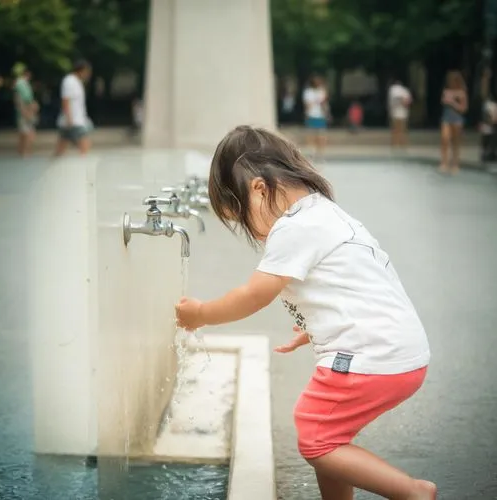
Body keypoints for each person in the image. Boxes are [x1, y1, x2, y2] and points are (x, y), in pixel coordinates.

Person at [175, 125, 436, 500]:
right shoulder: (325, 213)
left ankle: (413, 492)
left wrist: (201, 313)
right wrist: (315, 328)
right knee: (332, 438)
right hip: (400, 351)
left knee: (315, 434)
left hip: (370, 356)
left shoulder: (293, 228)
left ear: (259, 189)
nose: (257, 236)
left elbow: (253, 295)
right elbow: (359, 285)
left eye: (243, 219)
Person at [55, 59, 92, 156]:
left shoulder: (77, 82)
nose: (87, 74)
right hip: (72, 120)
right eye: (86, 72)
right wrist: (69, 118)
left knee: (62, 145)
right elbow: (65, 100)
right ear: (81, 70)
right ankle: (84, 165)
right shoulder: (69, 81)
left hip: (76, 119)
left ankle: (55, 161)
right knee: (85, 143)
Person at [439, 71, 468, 174]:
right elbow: (443, 102)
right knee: (444, 139)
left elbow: (463, 108)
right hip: (446, 118)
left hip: (457, 119)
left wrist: (453, 103)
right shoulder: (446, 91)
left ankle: (455, 163)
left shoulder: (461, 92)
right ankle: (444, 162)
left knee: (455, 142)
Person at [13, 63, 39, 157]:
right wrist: (24, 111)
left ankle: (23, 151)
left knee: (25, 132)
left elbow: (28, 99)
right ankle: (25, 152)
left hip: (27, 111)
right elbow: (19, 99)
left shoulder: (24, 83)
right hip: (25, 112)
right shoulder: (20, 83)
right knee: (27, 133)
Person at [303, 75, 329, 156]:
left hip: (320, 115)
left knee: (321, 134)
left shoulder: (322, 91)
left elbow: (324, 103)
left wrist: (326, 113)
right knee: (311, 134)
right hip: (311, 115)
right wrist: (306, 113)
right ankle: (312, 150)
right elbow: (307, 104)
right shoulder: (308, 92)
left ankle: (321, 151)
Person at [388, 79, 412, 148]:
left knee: (399, 129)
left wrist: (403, 101)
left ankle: (399, 143)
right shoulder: (403, 91)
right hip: (398, 112)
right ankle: (397, 143)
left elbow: (407, 101)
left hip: (399, 112)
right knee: (398, 129)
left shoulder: (394, 90)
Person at [480, 94, 497, 163]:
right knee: (487, 140)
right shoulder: (489, 105)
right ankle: (486, 155)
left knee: (492, 140)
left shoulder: (490, 105)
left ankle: (490, 154)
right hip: (488, 124)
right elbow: (487, 115)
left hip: (492, 125)